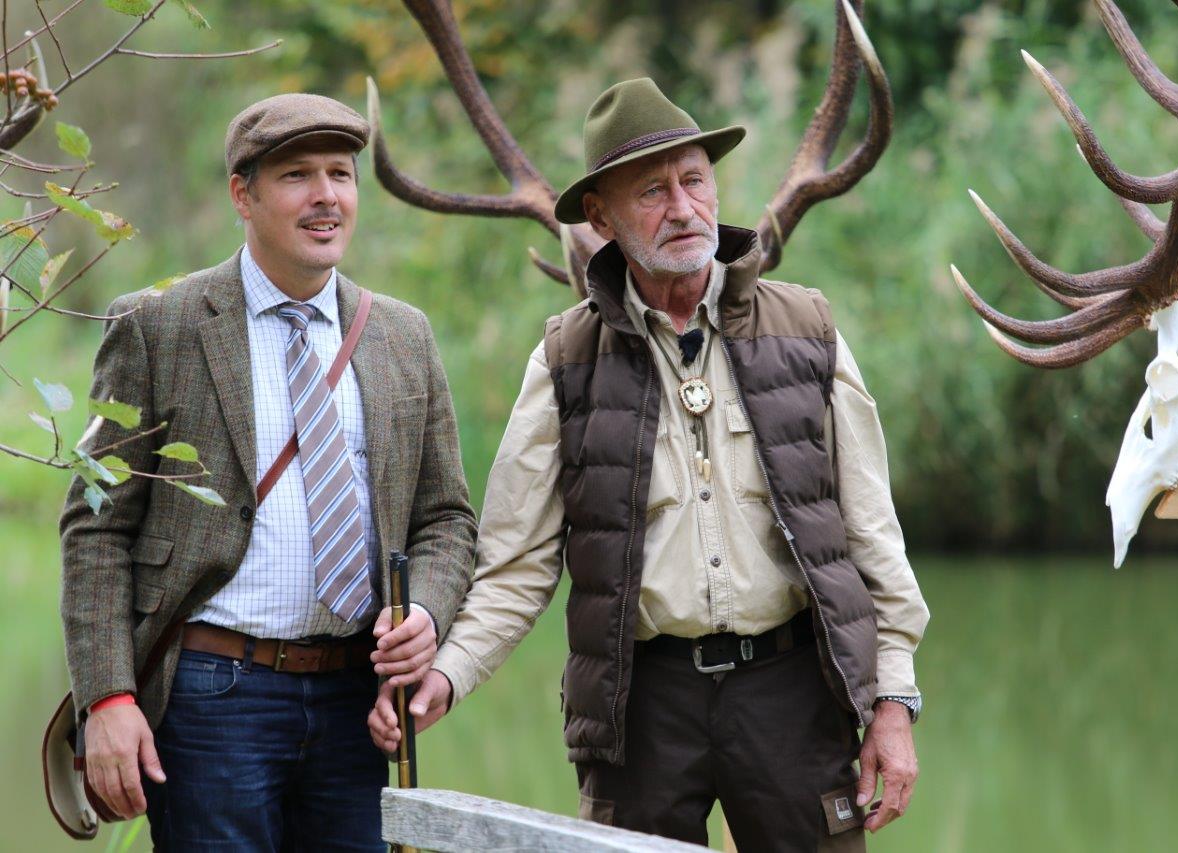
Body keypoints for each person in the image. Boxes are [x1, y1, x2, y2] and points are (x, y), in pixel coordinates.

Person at [370, 77, 928, 852]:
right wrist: (447, 672)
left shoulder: (807, 330)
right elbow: (515, 565)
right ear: (601, 218)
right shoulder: (564, 360)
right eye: (653, 192)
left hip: (792, 693)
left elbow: (872, 538)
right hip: (640, 704)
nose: (684, 208)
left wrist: (893, 701)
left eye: (694, 181)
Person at [59, 93, 476, 851]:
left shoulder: (403, 336)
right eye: (296, 175)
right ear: (242, 195)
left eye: (340, 174)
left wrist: (426, 613)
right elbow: (96, 526)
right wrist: (108, 697)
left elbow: (445, 518)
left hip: (357, 701)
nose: (326, 196)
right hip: (211, 697)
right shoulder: (156, 325)